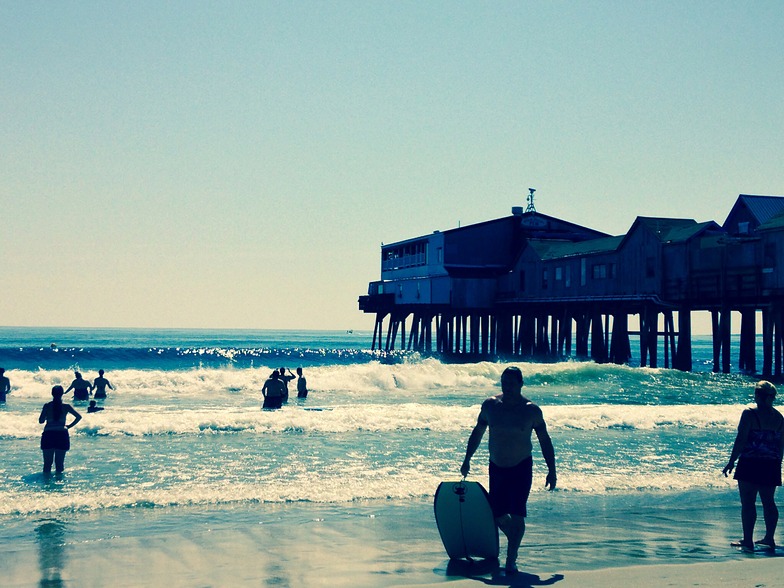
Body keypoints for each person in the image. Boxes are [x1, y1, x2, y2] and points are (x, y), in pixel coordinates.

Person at [460, 366, 556, 574]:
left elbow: (545, 441)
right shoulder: (490, 406)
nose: (508, 387)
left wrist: (552, 469)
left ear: (521, 384)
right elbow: (477, 432)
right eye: (504, 383)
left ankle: (511, 560)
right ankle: (515, 538)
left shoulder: (531, 410)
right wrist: (467, 458)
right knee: (497, 514)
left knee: (517, 514)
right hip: (496, 466)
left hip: (521, 467)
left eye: (512, 383)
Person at [723, 380, 784, 552]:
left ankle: (748, 540)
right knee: (769, 502)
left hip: (750, 462)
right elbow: (781, 445)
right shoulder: (779, 417)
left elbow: (741, 440)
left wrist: (731, 461)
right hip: (771, 463)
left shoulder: (749, 414)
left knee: (748, 503)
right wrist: (777, 463)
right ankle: (769, 538)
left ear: (758, 395)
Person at [39, 385, 82, 474]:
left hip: (49, 434)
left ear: (52, 394)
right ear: (62, 394)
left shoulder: (47, 406)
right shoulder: (66, 406)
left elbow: (41, 421)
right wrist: (69, 426)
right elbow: (78, 417)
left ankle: (46, 486)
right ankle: (59, 486)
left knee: (47, 464)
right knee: (59, 464)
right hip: (62, 434)